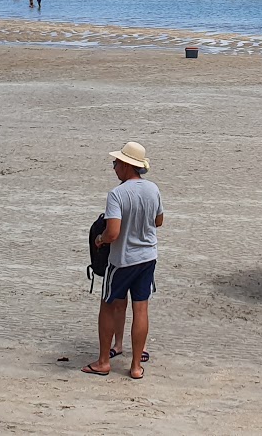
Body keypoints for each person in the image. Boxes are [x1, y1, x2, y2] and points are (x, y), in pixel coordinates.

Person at [82, 141, 163, 380]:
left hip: (122, 260)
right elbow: (159, 222)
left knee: (107, 306)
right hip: (148, 258)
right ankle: (136, 366)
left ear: (128, 165)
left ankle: (104, 361)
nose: (114, 167)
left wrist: (99, 239)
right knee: (141, 308)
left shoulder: (117, 194)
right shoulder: (153, 189)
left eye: (116, 163)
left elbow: (113, 233)